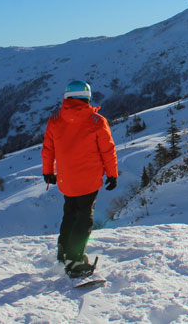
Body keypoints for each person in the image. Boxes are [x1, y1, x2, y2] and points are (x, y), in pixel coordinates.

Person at [41, 80, 118, 277]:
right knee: (84, 218)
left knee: (70, 212)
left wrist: (48, 171)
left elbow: (48, 149)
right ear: (87, 97)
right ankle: (75, 259)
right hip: (89, 179)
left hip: (66, 180)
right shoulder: (96, 121)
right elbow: (108, 150)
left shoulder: (55, 120)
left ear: (67, 97)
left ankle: (63, 249)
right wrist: (112, 174)